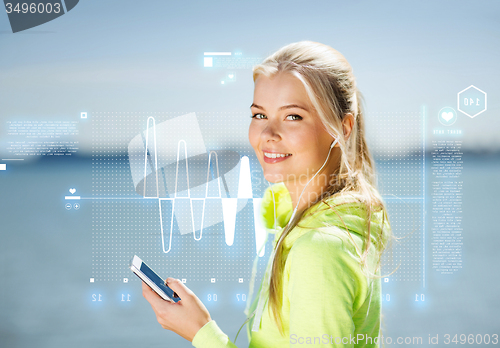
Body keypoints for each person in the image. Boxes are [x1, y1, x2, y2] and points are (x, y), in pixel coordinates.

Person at [142, 41, 391, 347]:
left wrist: (201, 333)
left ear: (342, 127)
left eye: (293, 116)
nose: (268, 134)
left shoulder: (318, 251)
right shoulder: (294, 223)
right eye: (259, 115)